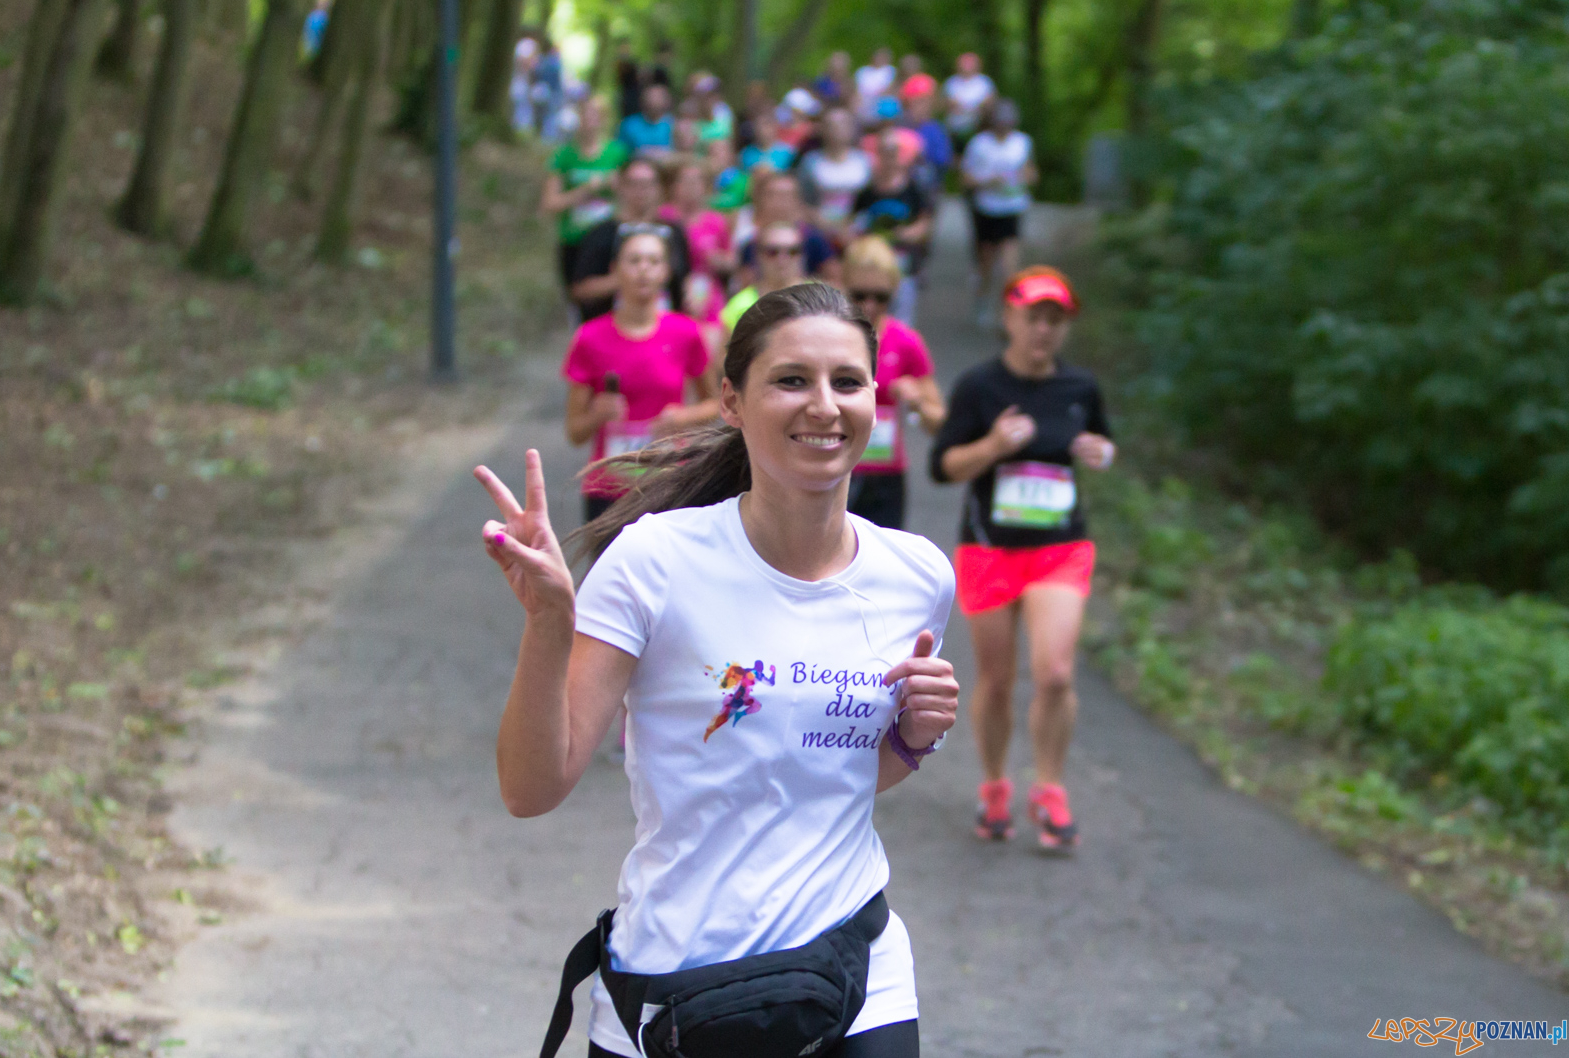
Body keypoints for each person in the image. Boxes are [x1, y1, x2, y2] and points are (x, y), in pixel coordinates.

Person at [477, 282, 959, 1058]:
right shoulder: (655, 561)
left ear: (876, 395)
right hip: (675, 989)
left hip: (853, 975)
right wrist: (548, 626)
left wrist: (911, 738)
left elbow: (830, 777)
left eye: (847, 381)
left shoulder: (917, 575)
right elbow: (531, 788)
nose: (824, 405)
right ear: (731, 400)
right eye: (791, 379)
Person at [928, 267, 1115, 852]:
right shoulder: (980, 387)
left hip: (1059, 547)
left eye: (1055, 320)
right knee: (998, 679)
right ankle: (994, 785)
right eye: (1034, 317)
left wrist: (1101, 452)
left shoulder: (1080, 388)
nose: (1043, 330)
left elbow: (1101, 443)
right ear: (1010, 317)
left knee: (1055, 673)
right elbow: (943, 466)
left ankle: (1050, 788)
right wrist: (993, 445)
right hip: (989, 548)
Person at [559, 229, 718, 523]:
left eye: (653, 261)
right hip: (609, 489)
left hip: (669, 482)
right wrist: (597, 415)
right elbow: (575, 432)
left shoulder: (687, 332)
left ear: (665, 272)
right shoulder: (589, 337)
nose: (643, 269)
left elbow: (716, 404)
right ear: (615, 270)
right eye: (634, 261)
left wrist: (684, 417)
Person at [842, 237, 945, 531]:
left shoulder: (906, 342)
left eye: (881, 297)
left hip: (884, 476)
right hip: (833, 466)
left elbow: (940, 423)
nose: (869, 305)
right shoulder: (828, 338)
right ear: (844, 287)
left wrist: (918, 402)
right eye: (859, 295)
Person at [570, 159, 691, 321]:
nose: (641, 191)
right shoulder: (601, 233)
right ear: (621, 186)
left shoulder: (674, 232)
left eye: (648, 184)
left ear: (660, 188)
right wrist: (627, 279)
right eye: (634, 184)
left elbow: (685, 279)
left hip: (667, 327)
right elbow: (579, 290)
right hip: (613, 328)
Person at [541, 97, 627, 299]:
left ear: (604, 119)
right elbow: (550, 203)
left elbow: (634, 193)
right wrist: (584, 190)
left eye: (595, 115)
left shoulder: (618, 154)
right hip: (574, 240)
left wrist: (617, 186)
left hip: (609, 239)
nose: (589, 120)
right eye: (585, 114)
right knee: (576, 296)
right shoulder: (563, 156)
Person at [962, 99, 1036, 328]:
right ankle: (982, 300)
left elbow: (1032, 173)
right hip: (986, 209)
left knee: (1010, 266)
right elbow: (966, 178)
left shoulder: (1022, 142)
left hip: (1012, 208)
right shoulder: (978, 144)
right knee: (986, 263)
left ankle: (1010, 314)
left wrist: (1022, 179)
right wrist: (989, 181)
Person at [851, 130, 935, 326]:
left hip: (904, 263)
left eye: (893, 151)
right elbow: (853, 221)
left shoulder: (914, 188)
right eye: (884, 151)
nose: (889, 158)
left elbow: (925, 222)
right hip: (872, 264)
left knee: (901, 318)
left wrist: (909, 233)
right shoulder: (868, 190)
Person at [658, 160, 737, 342]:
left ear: (705, 187)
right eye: (685, 181)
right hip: (669, 288)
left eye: (696, 182)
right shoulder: (663, 217)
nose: (691, 188)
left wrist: (717, 260)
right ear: (674, 186)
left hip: (707, 290)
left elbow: (731, 262)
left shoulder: (715, 221)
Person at [738, 172, 840, 283]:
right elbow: (746, 282)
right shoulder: (752, 243)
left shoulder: (814, 240)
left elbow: (833, 279)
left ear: (798, 201)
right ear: (760, 201)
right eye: (772, 195)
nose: (779, 203)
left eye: (786, 196)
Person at [798, 107, 871, 246]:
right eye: (832, 125)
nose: (838, 129)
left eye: (843, 124)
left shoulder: (864, 161)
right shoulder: (811, 162)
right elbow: (801, 199)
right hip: (820, 231)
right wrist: (818, 221)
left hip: (859, 231)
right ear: (822, 129)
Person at [720, 221, 808, 332]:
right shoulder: (739, 306)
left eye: (792, 251)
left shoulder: (819, 299)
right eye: (773, 252)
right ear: (758, 256)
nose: (783, 259)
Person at [899, 75, 953, 193]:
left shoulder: (937, 129)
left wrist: (921, 150)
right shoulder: (900, 127)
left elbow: (943, 160)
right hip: (902, 189)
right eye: (916, 102)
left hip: (929, 188)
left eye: (924, 101)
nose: (921, 106)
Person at [944, 52, 997, 153]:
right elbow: (948, 104)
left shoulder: (985, 82)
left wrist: (963, 106)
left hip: (979, 128)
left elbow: (990, 104)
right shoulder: (951, 83)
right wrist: (975, 106)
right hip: (956, 129)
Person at [618, 84, 675, 160]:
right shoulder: (629, 124)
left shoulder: (674, 124)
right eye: (651, 97)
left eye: (658, 97)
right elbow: (621, 151)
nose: (654, 101)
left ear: (667, 101)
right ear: (642, 100)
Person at [855, 47, 897, 124]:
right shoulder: (863, 71)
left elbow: (890, 88)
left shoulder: (890, 70)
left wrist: (874, 98)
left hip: (882, 100)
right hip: (864, 99)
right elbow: (858, 89)